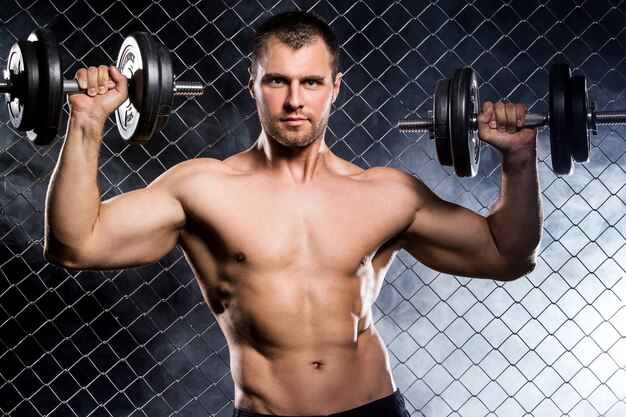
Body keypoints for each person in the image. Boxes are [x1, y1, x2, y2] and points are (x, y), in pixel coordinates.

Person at [44, 10, 542, 417]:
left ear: (335, 87)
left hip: (372, 409)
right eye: (277, 80)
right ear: (253, 84)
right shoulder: (202, 188)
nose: (294, 100)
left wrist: (519, 160)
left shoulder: (387, 194)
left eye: (311, 82)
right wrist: (87, 122)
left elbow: (508, 255)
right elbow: (75, 244)